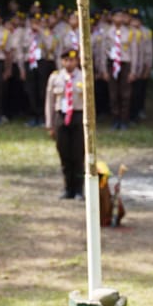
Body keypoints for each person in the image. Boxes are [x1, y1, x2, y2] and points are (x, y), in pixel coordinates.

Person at [46, 48, 86, 200]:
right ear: (62, 61)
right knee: (64, 154)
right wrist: (50, 124)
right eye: (66, 60)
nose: (69, 63)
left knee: (78, 154)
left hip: (78, 116)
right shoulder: (55, 78)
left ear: (77, 61)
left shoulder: (83, 77)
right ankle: (67, 188)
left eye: (73, 60)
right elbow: (49, 101)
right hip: (61, 117)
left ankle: (79, 189)